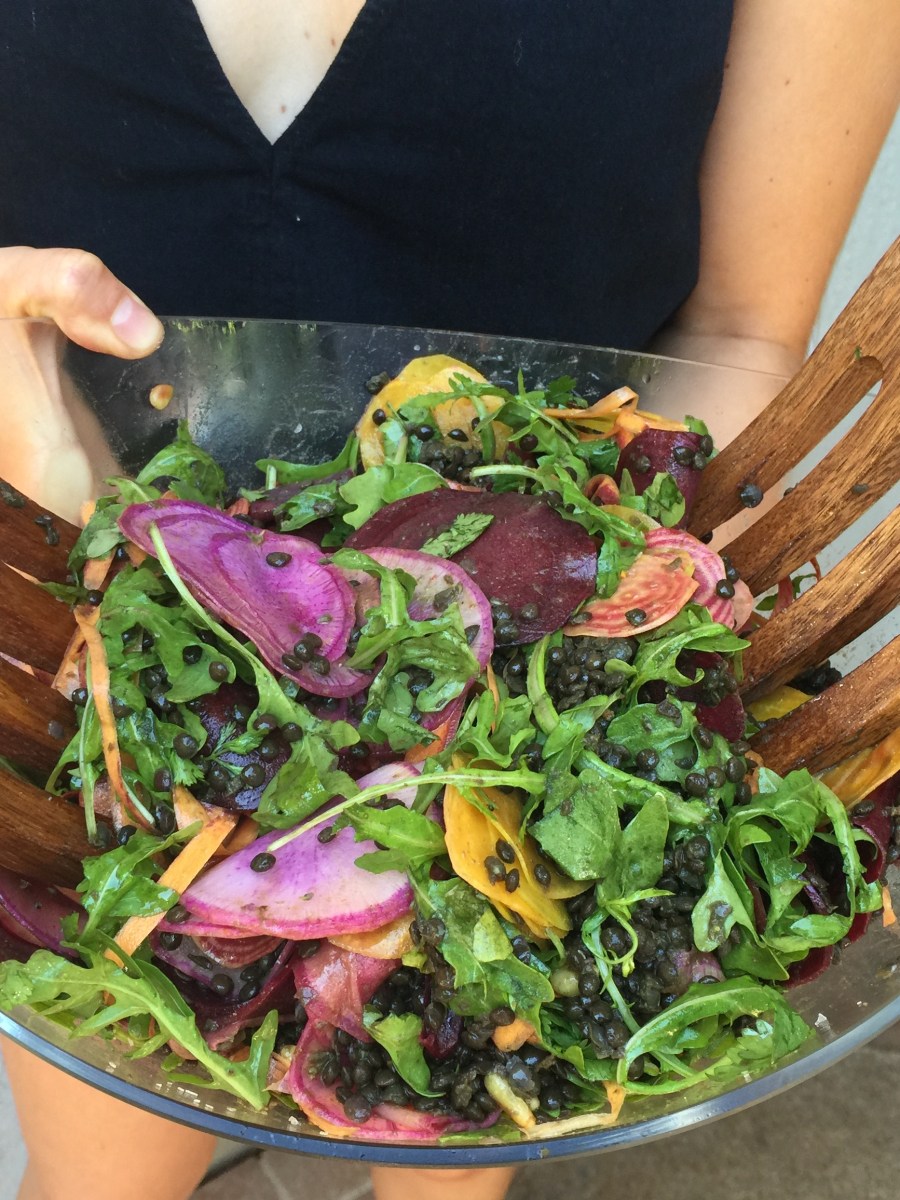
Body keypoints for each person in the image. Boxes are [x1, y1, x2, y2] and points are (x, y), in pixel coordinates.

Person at [1, 3, 898, 1199]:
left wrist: (621, 582)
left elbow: (740, 327)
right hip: (95, 679)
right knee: (100, 1168)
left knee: (451, 1124)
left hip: (548, 668)